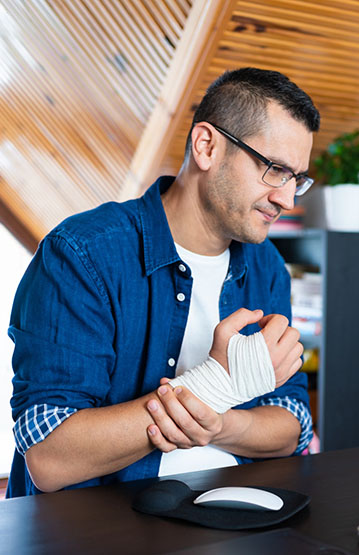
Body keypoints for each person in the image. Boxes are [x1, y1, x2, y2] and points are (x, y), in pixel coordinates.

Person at [7, 67, 321, 497]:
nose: (286, 198)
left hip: (238, 514)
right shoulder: (82, 253)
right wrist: (215, 385)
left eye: (297, 179)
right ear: (207, 146)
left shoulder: (266, 265)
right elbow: (49, 456)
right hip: (110, 525)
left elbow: (293, 423)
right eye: (274, 169)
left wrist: (218, 422)